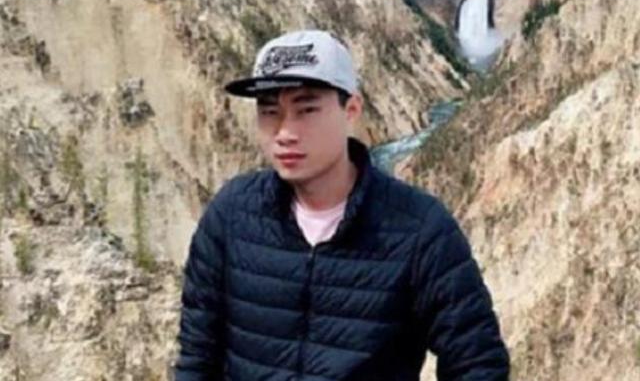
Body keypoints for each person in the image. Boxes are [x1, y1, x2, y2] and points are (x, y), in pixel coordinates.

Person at [174, 29, 510, 380]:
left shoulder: (419, 229)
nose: (285, 132)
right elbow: (197, 356)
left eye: (306, 110)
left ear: (351, 110)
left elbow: (478, 363)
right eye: (270, 111)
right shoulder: (232, 214)